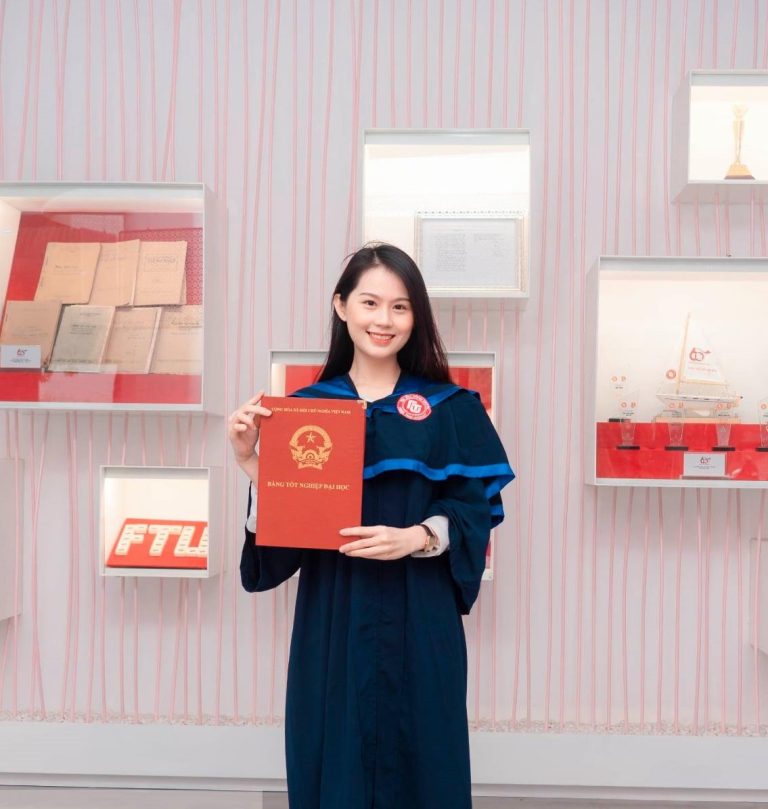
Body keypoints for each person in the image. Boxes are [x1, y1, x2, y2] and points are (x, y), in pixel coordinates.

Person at [229, 243, 514, 809]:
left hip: (421, 613)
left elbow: (474, 510)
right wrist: (253, 464)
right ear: (341, 306)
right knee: (335, 756)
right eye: (370, 302)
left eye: (400, 307)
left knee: (424, 757)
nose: (384, 320)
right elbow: (282, 548)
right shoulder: (305, 412)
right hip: (334, 613)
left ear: (416, 316)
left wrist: (418, 537)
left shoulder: (449, 408)